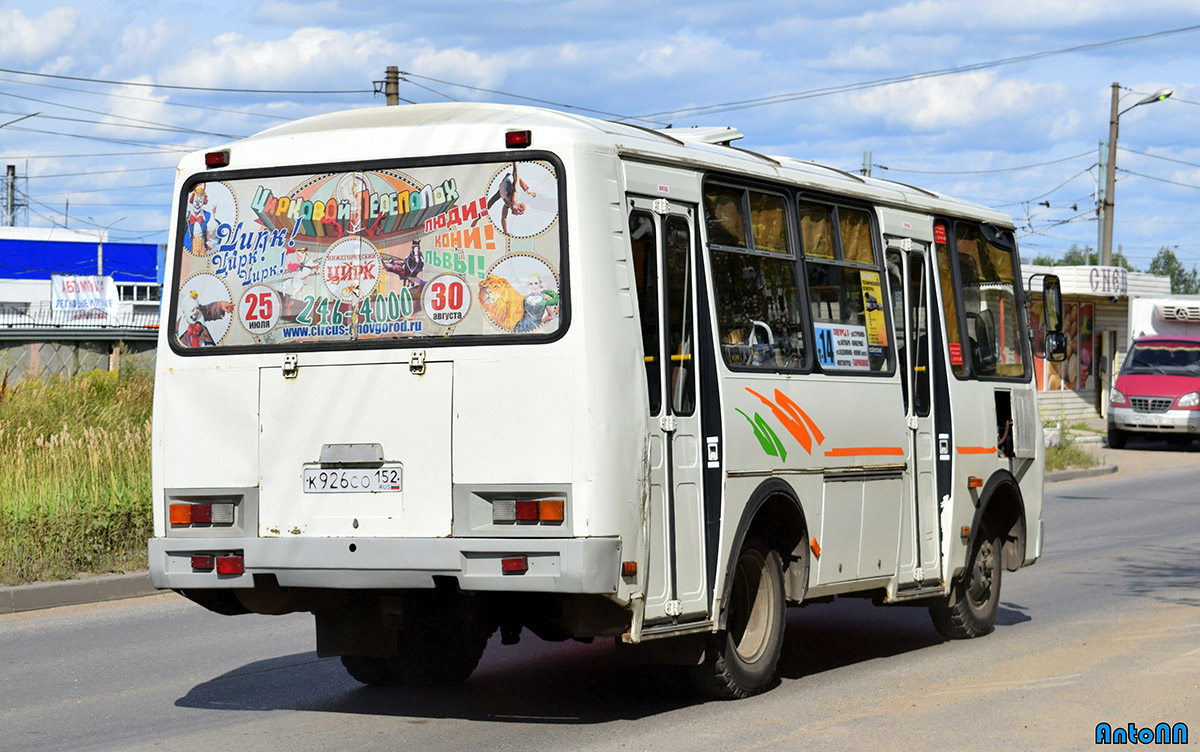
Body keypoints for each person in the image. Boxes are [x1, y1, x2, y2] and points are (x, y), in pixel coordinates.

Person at [487, 163, 536, 235]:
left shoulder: (507, 205)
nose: (517, 214)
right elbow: (516, 177)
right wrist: (514, 163)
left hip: (502, 188)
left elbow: (504, 218)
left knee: (489, 205)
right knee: (517, 180)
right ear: (519, 208)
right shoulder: (514, 197)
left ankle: (478, 216)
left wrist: (506, 232)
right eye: (519, 213)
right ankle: (528, 191)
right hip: (510, 180)